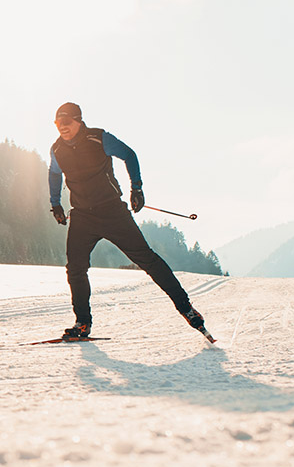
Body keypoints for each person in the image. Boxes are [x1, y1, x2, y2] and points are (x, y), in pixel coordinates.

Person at [48, 102, 209, 340]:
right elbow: (53, 173)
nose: (62, 127)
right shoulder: (57, 149)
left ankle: (186, 308)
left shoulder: (99, 138)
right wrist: (55, 204)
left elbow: (129, 155)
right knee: (75, 269)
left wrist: (137, 188)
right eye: (57, 123)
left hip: (112, 211)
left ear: (78, 120)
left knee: (147, 259)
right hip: (82, 215)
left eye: (66, 122)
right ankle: (83, 323)